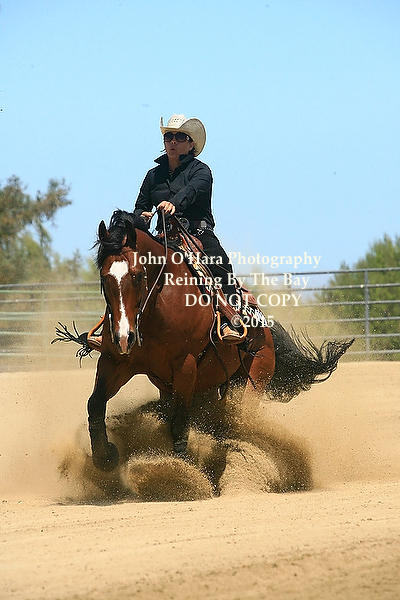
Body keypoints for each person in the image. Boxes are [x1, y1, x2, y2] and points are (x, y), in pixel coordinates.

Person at [133, 114, 241, 342]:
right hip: (163, 237)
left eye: (180, 137)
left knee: (220, 264)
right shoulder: (152, 176)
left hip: (198, 234)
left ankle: (232, 319)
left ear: (191, 144)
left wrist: (173, 203)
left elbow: (191, 191)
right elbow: (140, 206)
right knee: (126, 269)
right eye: (169, 137)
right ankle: (113, 326)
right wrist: (141, 218)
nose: (173, 141)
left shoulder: (202, 171)